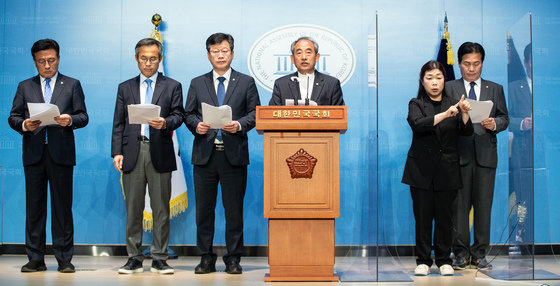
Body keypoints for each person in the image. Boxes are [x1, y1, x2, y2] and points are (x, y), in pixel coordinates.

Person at [8, 38, 89, 273]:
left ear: (59, 58)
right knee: (34, 207)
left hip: (61, 154)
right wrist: (24, 124)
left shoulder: (72, 84)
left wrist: (69, 120)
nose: (47, 65)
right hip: (34, 154)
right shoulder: (25, 86)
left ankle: (64, 258)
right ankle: (35, 258)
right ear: (34, 62)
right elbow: (13, 117)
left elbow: (83, 116)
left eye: (51, 60)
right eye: (42, 61)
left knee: (62, 208)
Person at [184, 32, 260, 275]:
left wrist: (238, 125)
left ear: (232, 53)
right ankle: (206, 257)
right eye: (215, 51)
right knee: (204, 211)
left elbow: (255, 113)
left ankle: (233, 258)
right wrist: (197, 125)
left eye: (224, 50)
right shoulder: (197, 82)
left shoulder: (246, 82)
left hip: (234, 154)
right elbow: (188, 113)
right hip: (205, 155)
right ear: (208, 55)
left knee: (233, 211)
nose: (220, 55)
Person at [111, 38, 184, 275]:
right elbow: (118, 123)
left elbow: (179, 116)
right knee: (133, 208)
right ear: (136, 59)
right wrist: (117, 152)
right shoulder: (125, 87)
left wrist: (166, 122)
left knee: (161, 208)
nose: (148, 63)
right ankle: (133, 257)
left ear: (159, 59)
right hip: (133, 151)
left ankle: (159, 257)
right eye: (144, 58)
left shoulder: (172, 85)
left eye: (153, 58)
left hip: (160, 150)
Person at [402, 60, 473, 276]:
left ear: (445, 80)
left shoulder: (454, 102)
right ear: (422, 82)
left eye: (439, 78)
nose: (435, 83)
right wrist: (445, 114)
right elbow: (418, 125)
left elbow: (467, 132)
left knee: (445, 218)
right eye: (429, 78)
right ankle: (423, 260)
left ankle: (444, 259)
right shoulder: (416, 103)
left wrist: (465, 113)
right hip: (421, 170)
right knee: (422, 218)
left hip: (448, 170)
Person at [446, 42, 509, 270]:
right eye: (466, 64)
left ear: (482, 63)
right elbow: (442, 118)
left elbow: (505, 117)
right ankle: (460, 253)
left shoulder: (495, 88)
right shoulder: (450, 88)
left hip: (485, 155)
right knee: (459, 207)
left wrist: (495, 123)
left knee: (483, 206)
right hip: (458, 155)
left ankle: (480, 253)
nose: (471, 69)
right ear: (460, 64)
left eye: (476, 64)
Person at [268, 36, 344, 106]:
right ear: (292, 59)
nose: (304, 57)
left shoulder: (331, 84)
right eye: (299, 53)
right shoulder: (281, 84)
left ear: (317, 57)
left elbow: (339, 116)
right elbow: (271, 115)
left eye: (308, 52)